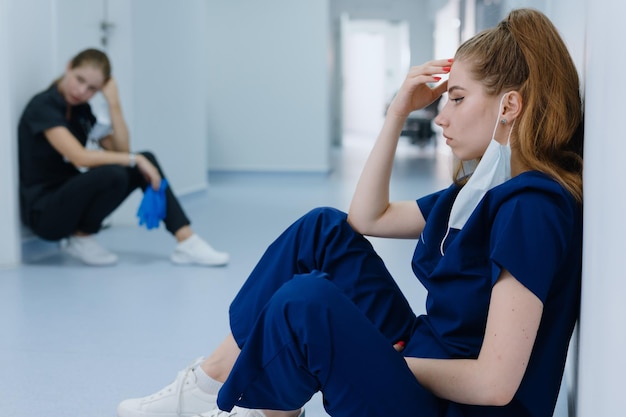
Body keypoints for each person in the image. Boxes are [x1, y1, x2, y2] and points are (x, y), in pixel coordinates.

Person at [117, 7, 583, 417]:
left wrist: (382, 358)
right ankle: (210, 383)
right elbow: (367, 218)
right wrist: (397, 111)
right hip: (428, 358)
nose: (441, 116)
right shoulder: (482, 192)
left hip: (456, 406)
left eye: (457, 98)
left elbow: (495, 384)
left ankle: (254, 406)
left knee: (306, 304)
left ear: (510, 106)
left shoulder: (531, 209)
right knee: (322, 229)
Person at [18, 48, 229, 267]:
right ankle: (81, 236)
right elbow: (79, 157)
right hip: (45, 214)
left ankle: (187, 241)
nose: (81, 91)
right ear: (69, 66)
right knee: (122, 167)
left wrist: (114, 103)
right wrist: (134, 159)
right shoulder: (42, 106)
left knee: (141, 160)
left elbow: (122, 150)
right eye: (79, 79)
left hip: (69, 201)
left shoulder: (81, 111)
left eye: (92, 89)